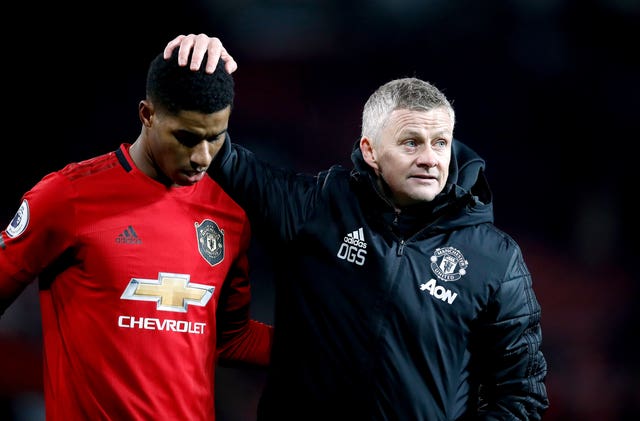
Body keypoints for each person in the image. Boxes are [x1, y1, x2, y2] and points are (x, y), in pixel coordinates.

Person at [164, 34, 550, 420]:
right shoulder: (317, 208)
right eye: (411, 143)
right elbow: (220, 157)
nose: (431, 159)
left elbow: (522, 398)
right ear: (370, 151)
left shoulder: (494, 258)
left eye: (441, 143)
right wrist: (201, 77)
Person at [0, 44, 273, 420]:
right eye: (187, 138)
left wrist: (331, 345)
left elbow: (231, 339)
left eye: (216, 137)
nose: (203, 157)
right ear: (147, 114)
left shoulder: (228, 214)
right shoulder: (68, 197)